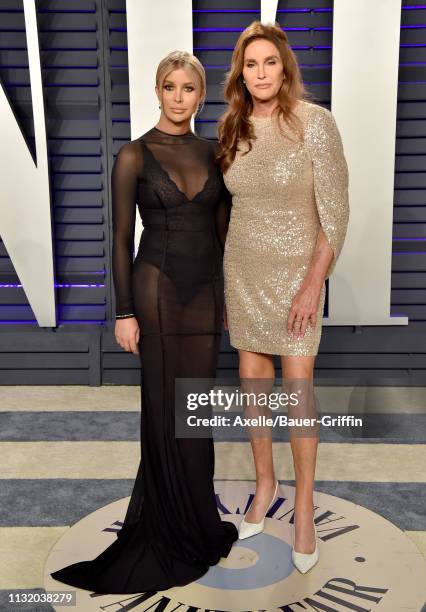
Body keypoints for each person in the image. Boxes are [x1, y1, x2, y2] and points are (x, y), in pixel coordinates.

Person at [50, 50, 238, 594]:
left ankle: (197, 521)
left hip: (205, 296)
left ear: (202, 97)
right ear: (157, 91)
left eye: (190, 89)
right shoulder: (133, 155)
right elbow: (120, 240)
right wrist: (123, 312)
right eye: (170, 87)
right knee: (161, 406)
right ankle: (163, 525)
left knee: (194, 410)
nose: (180, 97)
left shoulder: (214, 153)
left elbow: (224, 234)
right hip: (153, 294)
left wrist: (231, 296)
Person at [218, 21, 349, 574]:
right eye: (252, 64)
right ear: (241, 73)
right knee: (254, 391)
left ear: (285, 67)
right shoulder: (232, 126)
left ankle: (301, 508)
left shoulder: (315, 124)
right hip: (243, 272)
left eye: (270, 62)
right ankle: (265, 483)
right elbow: (227, 209)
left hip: (297, 278)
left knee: (297, 396)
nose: (261, 73)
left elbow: (335, 215)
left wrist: (310, 284)